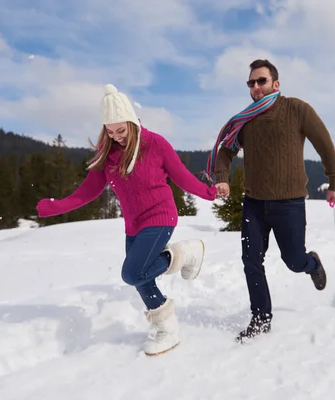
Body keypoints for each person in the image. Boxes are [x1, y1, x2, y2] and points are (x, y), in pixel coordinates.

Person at [36, 84, 218, 356]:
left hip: (161, 216)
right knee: (141, 278)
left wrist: (208, 192)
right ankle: (167, 329)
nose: (116, 136)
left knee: (131, 272)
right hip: (134, 224)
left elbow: (181, 176)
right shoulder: (107, 154)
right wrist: (59, 206)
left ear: (132, 122)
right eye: (110, 131)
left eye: (121, 130)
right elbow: (89, 191)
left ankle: (185, 253)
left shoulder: (155, 144)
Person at [204, 59, 335, 343]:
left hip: (289, 203)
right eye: (251, 83)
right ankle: (261, 317)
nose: (256, 87)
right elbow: (226, 151)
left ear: (275, 84)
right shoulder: (244, 120)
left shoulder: (297, 109)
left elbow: (324, 144)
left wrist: (334, 182)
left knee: (293, 261)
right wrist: (221, 177)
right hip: (254, 203)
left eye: (261, 81)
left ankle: (312, 264)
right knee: (251, 260)